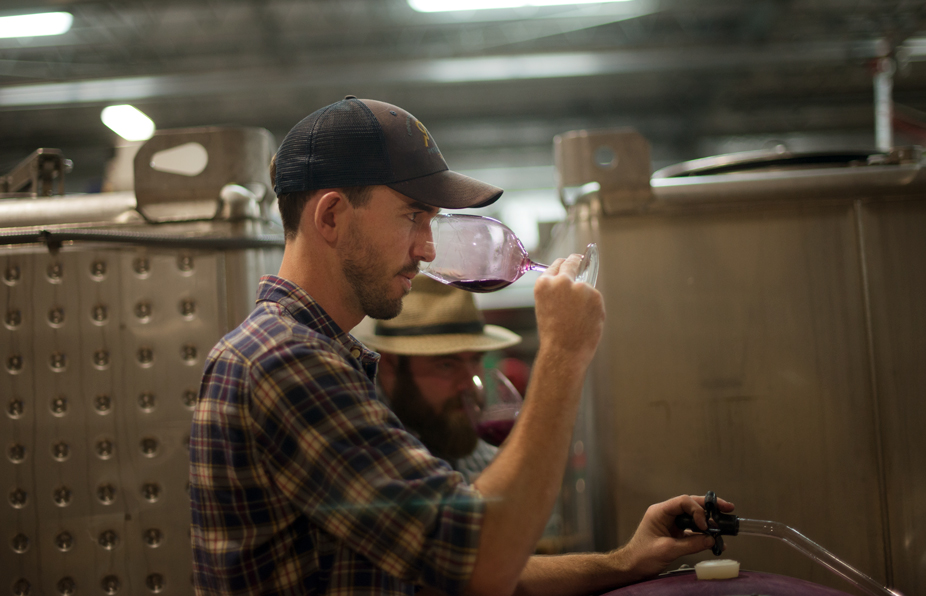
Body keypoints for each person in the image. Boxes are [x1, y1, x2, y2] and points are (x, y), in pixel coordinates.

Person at [189, 96, 732, 596]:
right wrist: (564, 353)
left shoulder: (319, 357)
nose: (426, 249)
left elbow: (442, 568)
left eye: (431, 221)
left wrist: (625, 563)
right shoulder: (288, 361)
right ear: (331, 216)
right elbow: (480, 564)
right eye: (412, 216)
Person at [353, 274, 522, 483]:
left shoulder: (451, 431)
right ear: (390, 364)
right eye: (446, 365)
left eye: (476, 360)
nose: (469, 383)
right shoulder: (364, 437)